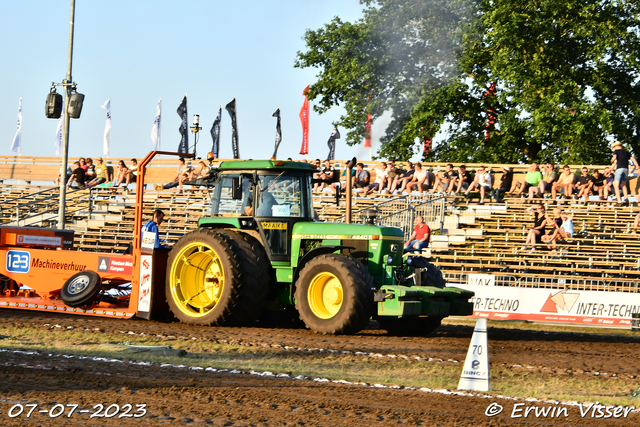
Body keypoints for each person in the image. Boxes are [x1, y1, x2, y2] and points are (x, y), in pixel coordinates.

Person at [610, 141, 640, 205]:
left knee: (616, 184)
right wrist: (638, 167)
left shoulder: (617, 151)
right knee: (623, 184)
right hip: (626, 169)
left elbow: (614, 158)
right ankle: (626, 198)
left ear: (615, 146)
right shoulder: (626, 152)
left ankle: (619, 201)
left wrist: (611, 160)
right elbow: (633, 159)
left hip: (619, 169)